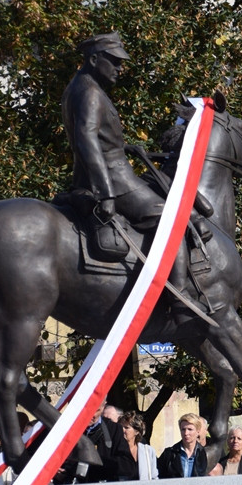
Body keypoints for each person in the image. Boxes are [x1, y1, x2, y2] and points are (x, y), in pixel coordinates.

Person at [61, 32, 205, 316]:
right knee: (172, 218)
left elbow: (98, 138)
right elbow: (86, 140)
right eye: (114, 61)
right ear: (93, 59)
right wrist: (106, 192)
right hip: (114, 180)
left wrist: (125, 146)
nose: (119, 68)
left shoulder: (79, 87)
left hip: (111, 171)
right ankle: (179, 298)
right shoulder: (90, 93)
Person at [104, 412, 158, 481]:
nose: (122, 430)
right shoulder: (113, 449)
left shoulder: (148, 451)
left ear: (136, 431)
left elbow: (154, 477)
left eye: (126, 428)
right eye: (120, 427)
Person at [158, 413, 209, 478]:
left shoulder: (205, 454)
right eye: (183, 429)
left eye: (190, 429)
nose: (186, 433)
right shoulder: (169, 454)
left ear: (198, 431)